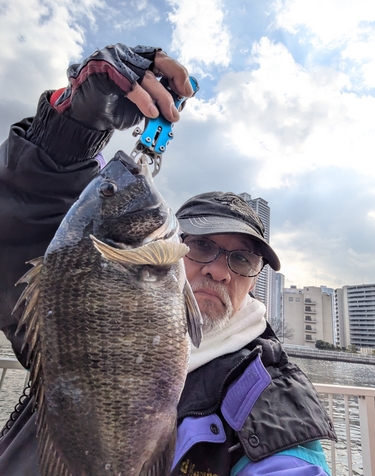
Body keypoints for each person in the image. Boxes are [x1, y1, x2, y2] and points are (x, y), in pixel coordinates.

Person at [0, 42, 336, 475]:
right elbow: (23, 224)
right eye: (202, 246)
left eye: (242, 259)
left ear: (254, 280)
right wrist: (72, 126)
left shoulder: (274, 403)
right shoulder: (71, 323)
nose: (218, 269)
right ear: (171, 249)